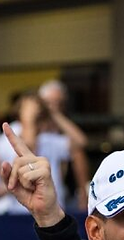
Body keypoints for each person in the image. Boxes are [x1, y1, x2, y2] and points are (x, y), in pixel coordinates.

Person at [0, 90, 73, 215]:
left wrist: (54, 113)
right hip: (20, 212)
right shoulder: (8, 135)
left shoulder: (48, 138)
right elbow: (28, 150)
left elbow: (80, 142)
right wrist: (28, 120)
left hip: (54, 210)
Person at [38, 79, 90, 212]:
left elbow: (81, 142)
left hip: (62, 195)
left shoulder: (63, 125)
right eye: (49, 102)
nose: (54, 106)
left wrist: (55, 114)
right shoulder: (33, 128)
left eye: (59, 103)